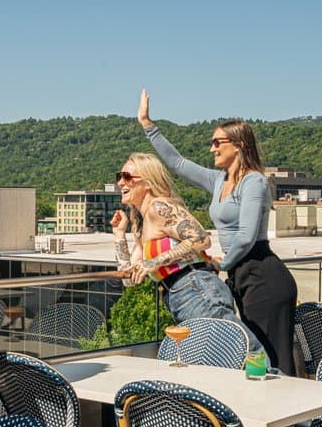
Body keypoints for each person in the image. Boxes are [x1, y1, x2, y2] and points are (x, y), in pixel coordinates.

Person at [137, 89, 298, 376]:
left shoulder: (254, 182)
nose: (212, 148)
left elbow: (247, 236)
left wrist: (220, 263)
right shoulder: (218, 180)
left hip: (262, 272)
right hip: (240, 275)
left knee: (269, 357)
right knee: (254, 360)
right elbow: (177, 163)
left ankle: (291, 421)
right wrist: (149, 126)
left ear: (238, 144)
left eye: (217, 142)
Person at [111, 152, 260, 338]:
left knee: (243, 353)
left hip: (195, 287)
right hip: (178, 294)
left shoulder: (159, 207)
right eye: (119, 177)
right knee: (224, 359)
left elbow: (201, 239)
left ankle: (271, 369)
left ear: (148, 182)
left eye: (127, 177)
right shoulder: (141, 225)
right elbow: (128, 279)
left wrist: (155, 261)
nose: (121, 182)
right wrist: (119, 235)